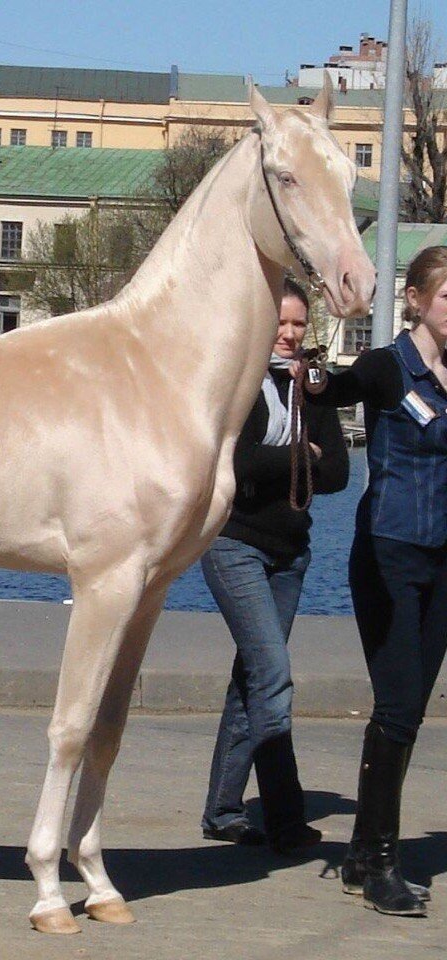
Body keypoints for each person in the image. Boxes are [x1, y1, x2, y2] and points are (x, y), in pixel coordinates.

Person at [299, 245, 447, 917]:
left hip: (443, 562)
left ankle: (363, 853)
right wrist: (319, 378)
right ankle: (381, 862)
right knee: (396, 703)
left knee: (410, 710)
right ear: (416, 299)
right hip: (389, 554)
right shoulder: (390, 368)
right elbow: (342, 388)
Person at [200, 277, 349, 853]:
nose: (288, 335)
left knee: (253, 678)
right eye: (279, 324)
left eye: (297, 326)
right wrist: (297, 455)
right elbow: (234, 461)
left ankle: (223, 811)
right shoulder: (238, 383)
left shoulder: (313, 389)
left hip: (291, 554)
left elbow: (335, 473)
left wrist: (295, 454)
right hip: (235, 543)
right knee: (272, 674)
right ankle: (286, 818)